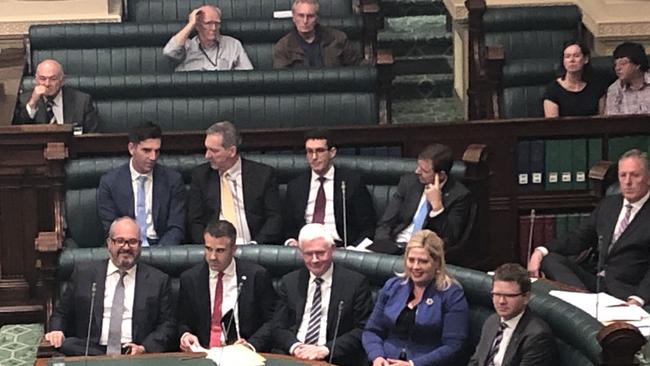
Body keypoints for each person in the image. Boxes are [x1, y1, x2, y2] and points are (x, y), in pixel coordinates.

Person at [528, 149, 650, 305]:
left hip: (626, 290)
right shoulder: (609, 204)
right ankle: (585, 302)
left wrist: (638, 299)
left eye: (635, 175)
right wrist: (541, 250)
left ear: (648, 178)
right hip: (595, 282)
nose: (627, 182)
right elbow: (578, 238)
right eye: (623, 175)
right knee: (550, 259)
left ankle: (582, 306)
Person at [44, 217, 175, 356]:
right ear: (109, 243)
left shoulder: (158, 280)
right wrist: (56, 331)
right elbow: (61, 313)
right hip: (91, 351)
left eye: (132, 242)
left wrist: (144, 348)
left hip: (133, 351)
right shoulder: (84, 275)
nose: (126, 247)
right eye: (119, 241)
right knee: (69, 345)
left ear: (140, 245)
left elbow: (167, 325)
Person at [363, 230, 469, 366]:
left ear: (437, 262)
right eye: (411, 260)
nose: (415, 267)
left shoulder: (452, 295)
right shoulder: (392, 286)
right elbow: (371, 331)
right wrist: (377, 357)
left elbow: (454, 346)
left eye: (423, 261)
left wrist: (413, 364)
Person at [272, 223, 373, 365]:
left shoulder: (355, 283)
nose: (314, 260)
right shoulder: (290, 281)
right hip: (294, 356)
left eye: (320, 253)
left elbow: (363, 329)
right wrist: (295, 347)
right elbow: (277, 326)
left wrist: (326, 349)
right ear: (301, 252)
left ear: (332, 249)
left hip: (334, 358)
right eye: (308, 254)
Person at [178, 220, 276, 352]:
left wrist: (251, 345)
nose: (212, 257)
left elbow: (272, 321)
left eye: (220, 250)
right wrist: (185, 335)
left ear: (234, 249)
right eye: (208, 249)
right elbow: (182, 321)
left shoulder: (256, 276)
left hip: (242, 354)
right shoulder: (190, 278)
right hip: (203, 352)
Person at [373, 143, 473, 262]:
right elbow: (386, 223)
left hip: (425, 255)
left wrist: (437, 208)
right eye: (418, 166)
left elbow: (450, 239)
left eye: (424, 170)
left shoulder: (460, 195)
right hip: (396, 247)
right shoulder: (409, 183)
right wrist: (383, 248)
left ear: (440, 175)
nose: (417, 172)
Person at [187, 121, 282, 244]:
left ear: (232, 151)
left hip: (254, 246)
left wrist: (256, 245)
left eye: (214, 151)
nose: (207, 156)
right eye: (206, 149)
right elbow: (195, 222)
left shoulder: (263, 175)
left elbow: (274, 219)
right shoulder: (200, 176)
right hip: (215, 249)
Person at [97, 122, 185, 246]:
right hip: (126, 247)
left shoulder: (173, 180)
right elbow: (111, 228)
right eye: (147, 150)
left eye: (157, 151)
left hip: (162, 247)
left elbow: (176, 227)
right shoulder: (110, 182)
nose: (153, 157)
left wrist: (161, 254)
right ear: (132, 148)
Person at [284, 129, 376, 247]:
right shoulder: (296, 186)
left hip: (342, 248)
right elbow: (288, 228)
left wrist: (355, 250)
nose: (314, 157)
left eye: (320, 151)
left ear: (332, 152)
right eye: (309, 151)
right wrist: (291, 242)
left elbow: (368, 227)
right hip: (306, 249)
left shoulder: (352, 182)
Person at [468, 263, 557, 366]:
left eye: (509, 296)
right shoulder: (492, 321)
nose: (501, 301)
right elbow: (476, 361)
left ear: (526, 297)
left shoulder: (537, 336)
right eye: (497, 294)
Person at [14, 59, 100, 132]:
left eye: (53, 79)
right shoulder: (24, 101)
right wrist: (32, 104)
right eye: (42, 79)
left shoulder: (82, 101)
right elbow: (17, 134)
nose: (47, 84)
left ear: (62, 80)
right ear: (36, 80)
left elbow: (92, 138)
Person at [163, 5, 253, 71]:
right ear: (197, 26)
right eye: (208, 23)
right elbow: (169, 52)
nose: (213, 28)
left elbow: (247, 74)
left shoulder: (233, 44)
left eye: (217, 23)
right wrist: (191, 24)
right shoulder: (186, 46)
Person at [273, 0, 361, 68]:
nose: (305, 21)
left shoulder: (338, 39)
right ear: (294, 17)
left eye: (310, 16)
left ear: (317, 18)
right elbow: (282, 82)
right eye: (301, 16)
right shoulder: (284, 47)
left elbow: (359, 67)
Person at [543, 41, 607, 117]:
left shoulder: (597, 87)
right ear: (563, 61)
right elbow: (552, 126)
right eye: (567, 56)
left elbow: (602, 121)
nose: (571, 60)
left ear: (585, 59)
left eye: (576, 56)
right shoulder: (552, 90)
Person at [605, 42, 650, 115]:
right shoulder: (614, 89)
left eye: (623, 64)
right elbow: (612, 121)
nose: (617, 68)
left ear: (638, 64)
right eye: (615, 65)